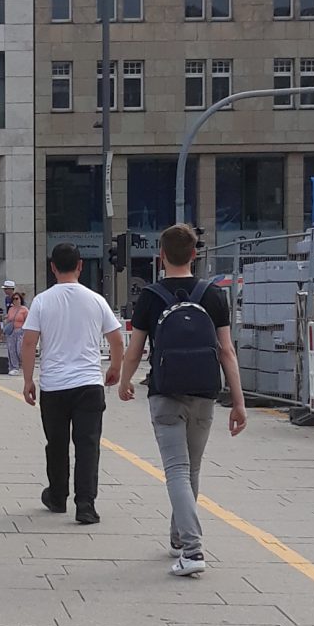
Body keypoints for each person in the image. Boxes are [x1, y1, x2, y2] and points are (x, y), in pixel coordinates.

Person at [117, 221, 247, 577]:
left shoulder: (150, 296)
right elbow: (226, 351)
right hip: (204, 392)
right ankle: (178, 537)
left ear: (161, 256)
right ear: (194, 254)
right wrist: (238, 402)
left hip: (166, 392)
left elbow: (135, 350)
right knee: (192, 469)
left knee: (176, 470)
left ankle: (192, 549)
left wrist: (125, 382)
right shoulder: (212, 295)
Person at [20, 243, 124, 524]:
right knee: (88, 444)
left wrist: (28, 380)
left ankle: (57, 496)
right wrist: (115, 368)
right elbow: (117, 339)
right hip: (89, 383)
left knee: (56, 443)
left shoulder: (42, 301)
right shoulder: (96, 300)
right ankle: (86, 504)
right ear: (80, 266)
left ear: (52, 267)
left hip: (53, 385)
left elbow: (29, 342)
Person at [1, 282, 29, 375]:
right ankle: (14, 367)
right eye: (13, 299)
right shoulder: (11, 309)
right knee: (11, 350)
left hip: (20, 331)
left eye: (17, 298)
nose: (15, 300)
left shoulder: (24, 309)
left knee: (19, 349)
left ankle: (22, 364)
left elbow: (28, 321)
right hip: (12, 331)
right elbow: (8, 319)